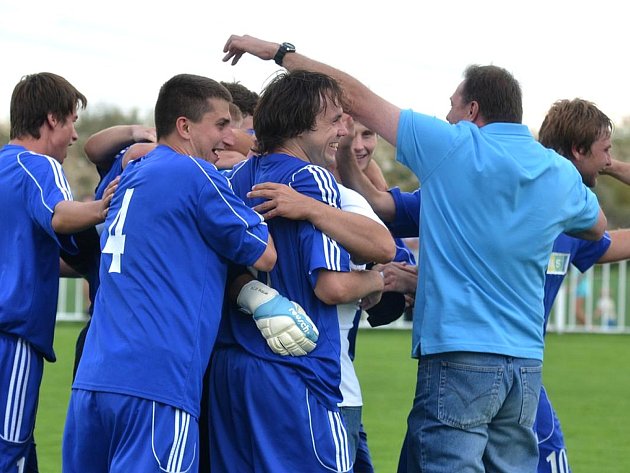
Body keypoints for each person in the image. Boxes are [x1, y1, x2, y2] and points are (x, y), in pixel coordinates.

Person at [221, 36, 607, 472]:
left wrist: (278, 53)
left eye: (452, 105)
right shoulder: (555, 171)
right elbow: (595, 227)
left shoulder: (454, 145)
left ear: (473, 111)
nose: (446, 115)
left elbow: (351, 95)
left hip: (459, 353)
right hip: (525, 363)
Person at [338, 97, 625, 473]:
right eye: (605, 151)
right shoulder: (462, 191)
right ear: (578, 150)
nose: (608, 160)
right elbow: (380, 205)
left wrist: (609, 164)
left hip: (505, 381)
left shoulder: (570, 220)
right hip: (478, 374)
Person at [62, 74, 277, 473]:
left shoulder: (131, 173)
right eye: (221, 124)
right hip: (156, 384)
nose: (228, 137)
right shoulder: (197, 175)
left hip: (92, 380)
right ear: (184, 126)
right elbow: (265, 255)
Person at [208, 70, 386, 473]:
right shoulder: (310, 178)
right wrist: (376, 280)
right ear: (300, 123)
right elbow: (331, 285)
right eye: (335, 119)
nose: (344, 130)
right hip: (295, 372)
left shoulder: (231, 179)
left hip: (228, 370)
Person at [0, 72, 116, 473]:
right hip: (13, 333)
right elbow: (60, 216)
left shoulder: (2, 167)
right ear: (52, 119)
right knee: (8, 450)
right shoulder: (38, 166)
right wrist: (104, 207)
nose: (72, 137)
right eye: (71, 123)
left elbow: (39, 254)